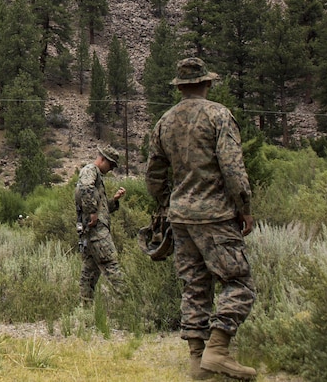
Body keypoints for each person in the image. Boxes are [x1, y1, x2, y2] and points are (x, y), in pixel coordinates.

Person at [146, 58, 256, 380]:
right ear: (206, 84)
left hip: (180, 218)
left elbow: (153, 176)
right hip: (216, 216)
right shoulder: (218, 115)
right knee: (239, 282)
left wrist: (171, 203)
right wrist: (245, 208)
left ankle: (197, 360)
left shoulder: (164, 122)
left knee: (194, 285)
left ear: (179, 87)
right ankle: (218, 351)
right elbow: (233, 169)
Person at [75, 147, 127, 304]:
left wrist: (114, 200)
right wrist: (92, 212)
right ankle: (126, 303)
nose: (111, 169)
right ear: (103, 160)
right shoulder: (90, 170)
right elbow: (85, 188)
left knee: (89, 271)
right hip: (97, 232)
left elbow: (102, 211)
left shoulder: (96, 176)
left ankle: (85, 307)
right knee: (111, 264)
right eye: (111, 165)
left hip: (91, 232)